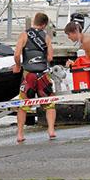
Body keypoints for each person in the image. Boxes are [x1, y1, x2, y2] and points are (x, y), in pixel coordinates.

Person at [13, 12, 56, 143]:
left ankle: (20, 134)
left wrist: (18, 66)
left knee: (23, 104)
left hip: (29, 75)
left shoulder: (24, 35)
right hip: (43, 74)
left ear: (34, 21)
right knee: (49, 103)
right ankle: (51, 130)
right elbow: (50, 57)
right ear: (44, 25)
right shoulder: (46, 37)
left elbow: (17, 54)